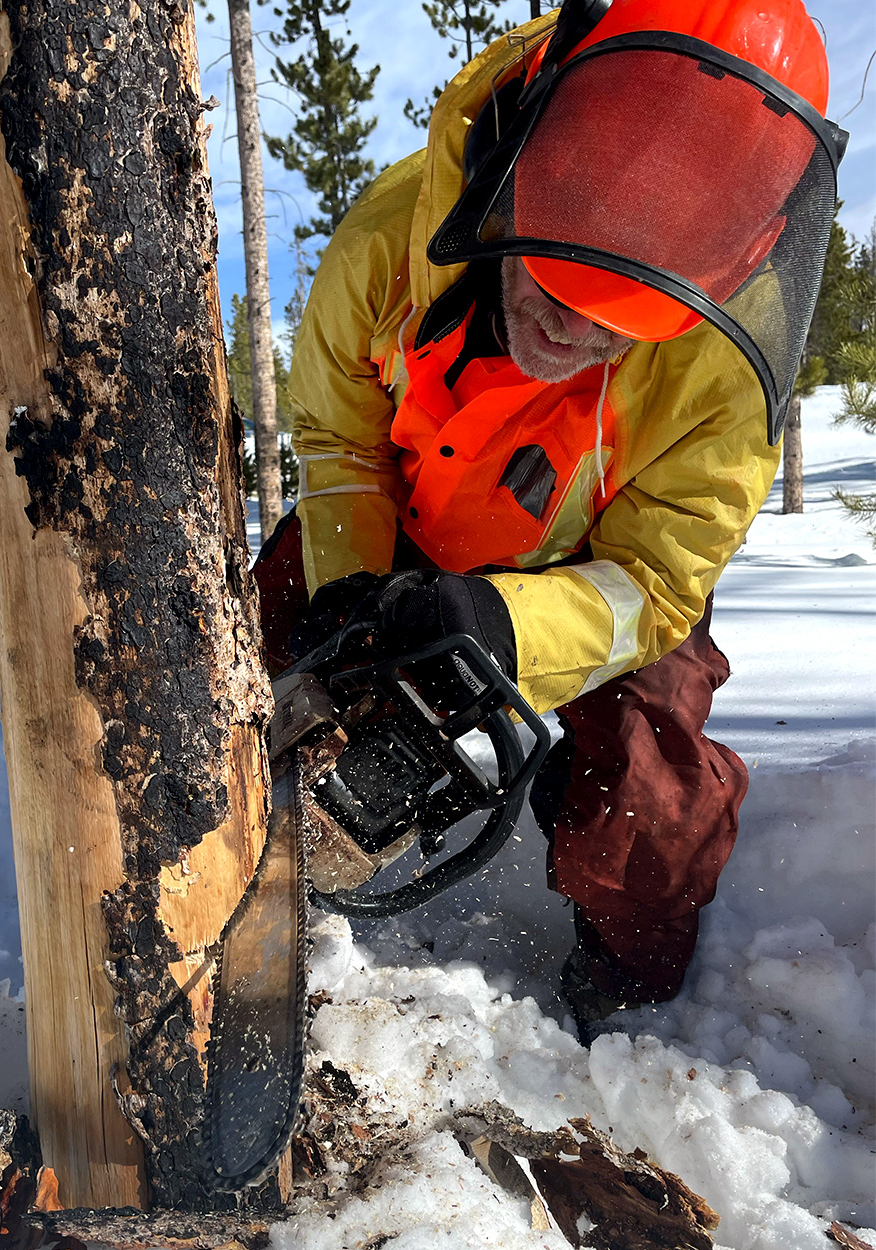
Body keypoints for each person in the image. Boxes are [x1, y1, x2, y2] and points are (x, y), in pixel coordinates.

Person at [252, 0, 847, 1033]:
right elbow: (337, 439)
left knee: (654, 819)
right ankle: (228, 886)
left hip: (586, 577)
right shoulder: (392, 245)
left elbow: (658, 581)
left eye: (624, 315)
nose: (574, 328)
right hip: (398, 518)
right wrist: (354, 591)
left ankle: (617, 998)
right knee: (246, 668)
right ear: (527, 160)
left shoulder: (723, 379)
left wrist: (503, 628)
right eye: (562, 277)